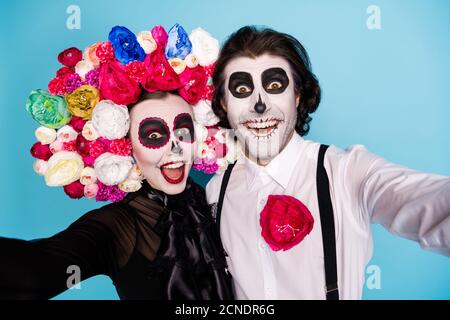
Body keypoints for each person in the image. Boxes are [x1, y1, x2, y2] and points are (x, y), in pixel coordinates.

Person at [206, 25, 450, 300]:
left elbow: (428, 203)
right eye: (241, 88)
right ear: (224, 103)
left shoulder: (346, 172)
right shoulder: (216, 191)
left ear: (297, 96)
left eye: (275, 86)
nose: (259, 105)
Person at [0, 24, 233, 300]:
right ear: (126, 145)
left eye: (183, 132)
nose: (176, 149)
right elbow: (35, 271)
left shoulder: (220, 195)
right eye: (154, 135)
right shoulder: (119, 226)